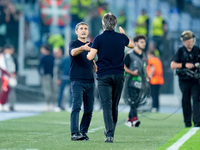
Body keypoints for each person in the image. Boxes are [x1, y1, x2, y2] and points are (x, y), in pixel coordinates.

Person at [87, 12, 134, 143]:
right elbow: (132, 45)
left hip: (104, 75)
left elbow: (91, 57)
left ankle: (109, 134)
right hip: (119, 75)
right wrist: (124, 34)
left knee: (106, 105)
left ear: (103, 25)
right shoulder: (121, 37)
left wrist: (88, 55)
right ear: (115, 24)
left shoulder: (98, 38)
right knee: (115, 105)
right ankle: (111, 130)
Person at [69, 22, 96, 141]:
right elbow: (73, 52)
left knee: (89, 109)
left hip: (90, 80)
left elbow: (91, 58)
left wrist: (94, 63)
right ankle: (75, 133)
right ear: (77, 32)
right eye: (81, 28)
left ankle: (83, 132)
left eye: (86, 28)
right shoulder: (73, 44)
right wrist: (82, 48)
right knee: (76, 107)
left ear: (88, 32)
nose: (84, 30)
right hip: (77, 80)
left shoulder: (92, 45)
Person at [170, 30, 200, 127]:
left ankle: (197, 121)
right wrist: (184, 65)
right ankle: (187, 122)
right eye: (187, 41)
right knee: (185, 99)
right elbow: (172, 65)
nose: (189, 43)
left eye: (191, 41)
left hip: (196, 79)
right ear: (183, 41)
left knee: (196, 99)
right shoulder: (180, 51)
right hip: (184, 80)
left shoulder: (197, 50)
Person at [123, 35, 150, 127]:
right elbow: (123, 66)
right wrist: (132, 72)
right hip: (131, 82)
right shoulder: (130, 55)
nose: (144, 44)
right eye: (142, 42)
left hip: (141, 83)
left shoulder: (144, 56)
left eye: (144, 42)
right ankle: (135, 119)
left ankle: (129, 120)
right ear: (136, 43)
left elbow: (144, 68)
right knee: (133, 102)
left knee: (136, 102)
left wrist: (147, 76)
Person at [38, 44, 55, 111]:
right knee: (51, 90)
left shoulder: (43, 57)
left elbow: (39, 67)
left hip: (47, 76)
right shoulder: (52, 57)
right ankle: (52, 105)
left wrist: (41, 74)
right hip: (51, 75)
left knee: (48, 90)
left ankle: (48, 104)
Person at [0, 44, 16, 111]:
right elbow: (2, 67)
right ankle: (1, 103)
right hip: (4, 76)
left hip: (9, 76)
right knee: (4, 90)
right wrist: (9, 74)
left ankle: (4, 103)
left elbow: (12, 66)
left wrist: (13, 73)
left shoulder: (10, 57)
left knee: (7, 91)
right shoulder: (2, 56)